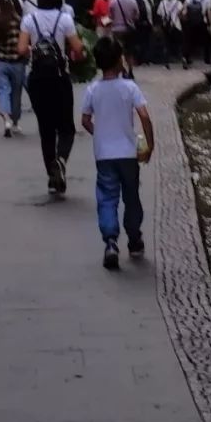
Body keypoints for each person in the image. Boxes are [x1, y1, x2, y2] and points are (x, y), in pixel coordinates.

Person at [82, 34, 155, 269]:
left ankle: (111, 242)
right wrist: (150, 145)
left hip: (104, 155)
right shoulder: (129, 87)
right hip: (128, 153)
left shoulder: (93, 89)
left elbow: (84, 120)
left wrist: (100, 133)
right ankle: (134, 240)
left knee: (107, 198)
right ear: (118, 61)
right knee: (131, 196)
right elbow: (144, 115)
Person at [18, 0, 85, 195]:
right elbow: (77, 49)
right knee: (66, 128)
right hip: (59, 78)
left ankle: (52, 178)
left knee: (46, 130)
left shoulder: (29, 19)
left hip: (37, 80)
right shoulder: (65, 19)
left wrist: (35, 50)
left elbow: (20, 50)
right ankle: (62, 160)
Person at [0, 0, 28, 136]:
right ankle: (15, 122)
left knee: (3, 91)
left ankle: (6, 120)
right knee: (16, 94)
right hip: (17, 63)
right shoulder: (18, 21)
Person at [182, 0, 211, 69]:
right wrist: (210, 26)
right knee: (207, 39)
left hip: (190, 22)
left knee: (188, 40)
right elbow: (209, 13)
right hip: (202, 22)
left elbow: (184, 8)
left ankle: (186, 57)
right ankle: (207, 59)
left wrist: (185, 19)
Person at [156, 0, 184, 69]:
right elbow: (181, 14)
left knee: (166, 45)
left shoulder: (162, 3)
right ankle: (183, 59)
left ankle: (166, 63)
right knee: (179, 45)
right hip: (177, 26)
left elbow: (159, 15)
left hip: (166, 27)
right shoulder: (178, 2)